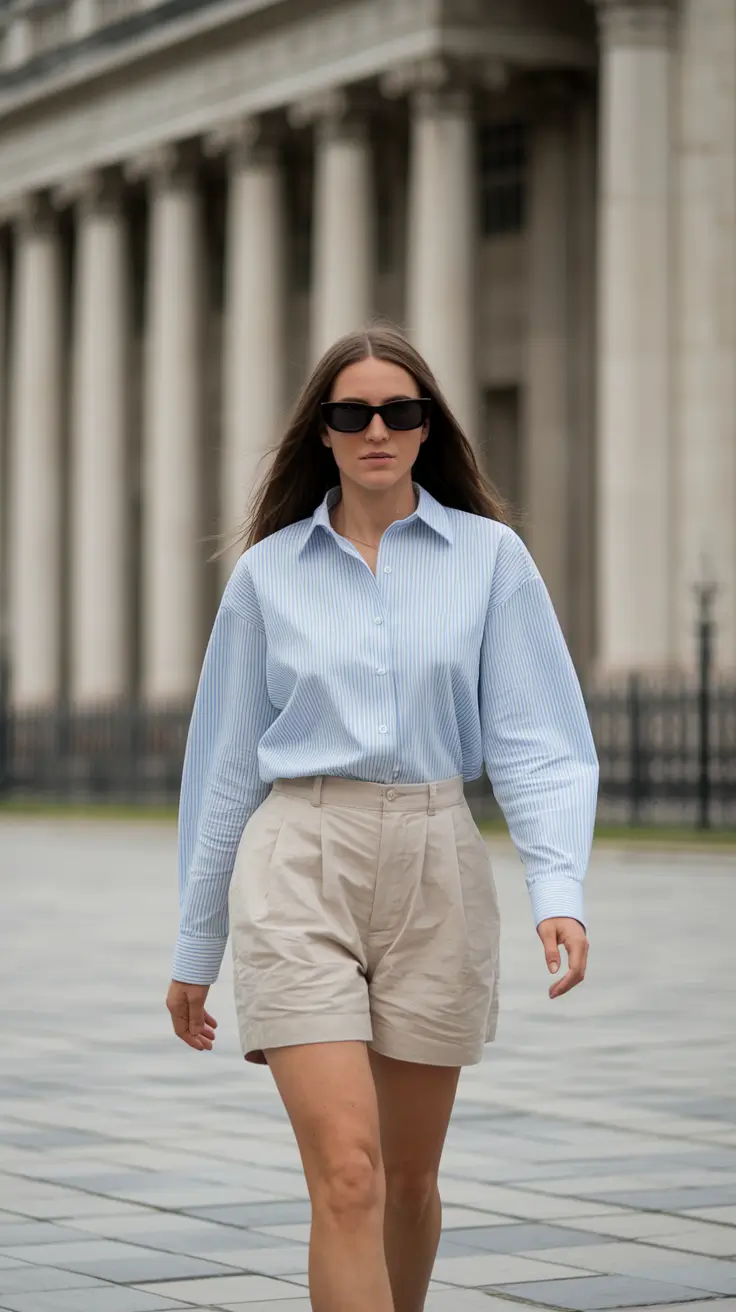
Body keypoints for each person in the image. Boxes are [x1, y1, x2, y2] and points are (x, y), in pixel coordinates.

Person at [166, 323, 599, 1312]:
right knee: (349, 1174)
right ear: (319, 431)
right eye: (350, 412)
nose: (375, 429)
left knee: (406, 1183)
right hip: (297, 857)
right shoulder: (268, 574)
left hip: (435, 860)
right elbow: (225, 766)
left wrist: (557, 891)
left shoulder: (491, 559)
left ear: (425, 427)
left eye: (398, 412)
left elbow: (539, 738)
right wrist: (197, 944)